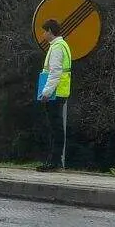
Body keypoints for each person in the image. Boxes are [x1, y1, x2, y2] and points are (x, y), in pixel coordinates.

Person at [38, 19, 71, 172]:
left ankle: (54, 162)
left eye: (45, 31)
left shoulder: (57, 47)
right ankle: (54, 161)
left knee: (55, 128)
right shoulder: (61, 45)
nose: (43, 34)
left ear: (50, 31)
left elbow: (55, 72)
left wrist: (46, 92)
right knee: (55, 128)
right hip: (59, 92)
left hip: (55, 93)